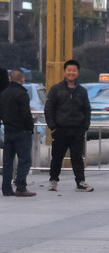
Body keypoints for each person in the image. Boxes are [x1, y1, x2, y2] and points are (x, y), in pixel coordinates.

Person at [45, 59, 94, 192]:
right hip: (60, 129)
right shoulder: (56, 89)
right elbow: (48, 109)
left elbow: (87, 110)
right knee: (57, 157)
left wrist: (85, 126)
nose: (71, 73)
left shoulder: (82, 91)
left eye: (74, 70)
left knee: (77, 157)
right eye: (69, 70)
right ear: (65, 71)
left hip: (77, 130)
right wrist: (52, 126)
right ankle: (53, 181)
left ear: (77, 72)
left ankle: (80, 182)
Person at [0, 69, 36, 197]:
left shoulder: (3, 93)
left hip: (8, 130)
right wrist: (30, 127)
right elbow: (26, 114)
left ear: (9, 78)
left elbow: (1, 112)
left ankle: (6, 188)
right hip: (22, 131)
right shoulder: (22, 94)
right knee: (25, 160)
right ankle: (20, 186)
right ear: (22, 79)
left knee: (8, 161)